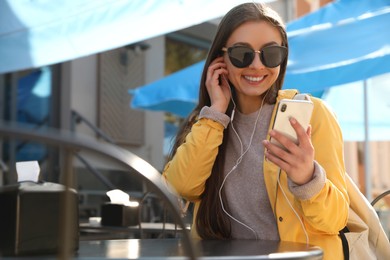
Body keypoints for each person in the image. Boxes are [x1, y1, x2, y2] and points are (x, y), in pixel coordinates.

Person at [162, 2, 349, 260]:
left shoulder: (313, 114)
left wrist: (308, 179)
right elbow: (181, 187)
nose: (258, 66)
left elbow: (335, 220)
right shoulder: (208, 122)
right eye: (242, 53)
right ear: (221, 59)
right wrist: (217, 112)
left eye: (271, 54)